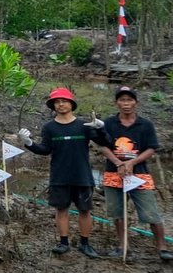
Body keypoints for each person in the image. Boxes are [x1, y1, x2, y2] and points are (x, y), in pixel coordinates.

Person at [19, 87, 103, 258]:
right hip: (59, 176)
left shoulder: (84, 125)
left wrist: (100, 129)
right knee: (61, 209)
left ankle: (85, 243)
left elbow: (105, 142)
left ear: (72, 104)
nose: (61, 104)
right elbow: (44, 150)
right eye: (57, 102)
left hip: (82, 176)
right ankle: (63, 242)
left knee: (85, 210)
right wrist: (28, 143)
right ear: (53, 106)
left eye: (64, 101)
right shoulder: (49, 128)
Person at [94, 86, 169, 262]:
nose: (126, 104)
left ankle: (162, 247)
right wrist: (118, 162)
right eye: (122, 100)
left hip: (139, 174)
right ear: (116, 103)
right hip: (114, 173)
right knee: (117, 212)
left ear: (136, 102)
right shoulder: (109, 124)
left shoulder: (146, 125)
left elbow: (151, 148)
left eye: (129, 100)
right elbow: (103, 145)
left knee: (151, 212)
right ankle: (123, 245)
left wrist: (131, 163)